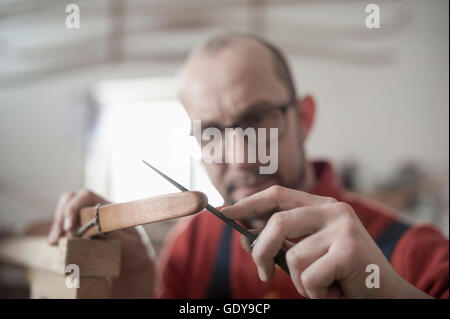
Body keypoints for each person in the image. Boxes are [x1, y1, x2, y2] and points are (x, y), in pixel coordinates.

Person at [47, 32, 449, 299]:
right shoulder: (190, 248)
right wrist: (132, 281)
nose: (238, 156)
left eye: (257, 119)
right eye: (210, 133)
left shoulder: (419, 253)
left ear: (304, 118)